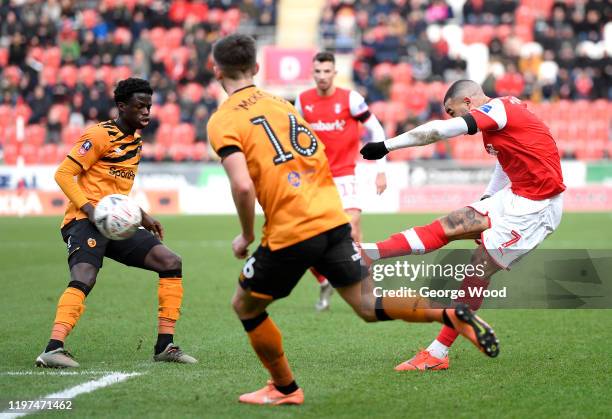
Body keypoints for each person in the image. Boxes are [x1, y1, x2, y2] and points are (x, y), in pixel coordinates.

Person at [207, 35, 498, 406]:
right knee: (367, 304)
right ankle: (449, 312)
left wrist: (245, 234)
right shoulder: (283, 104)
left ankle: (284, 389)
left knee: (245, 306)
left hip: (291, 227)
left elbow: (242, 186)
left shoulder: (224, 119)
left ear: (215, 69)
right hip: (331, 213)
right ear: (257, 68)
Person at [360, 79, 564, 371]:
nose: (453, 118)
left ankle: (438, 353)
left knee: (478, 266)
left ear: (467, 103)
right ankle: (368, 254)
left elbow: (439, 131)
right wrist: (487, 201)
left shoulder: (498, 110)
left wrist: (387, 145)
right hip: (514, 194)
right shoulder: (500, 118)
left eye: (453, 111)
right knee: (450, 224)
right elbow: (503, 163)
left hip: (537, 207)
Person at [35, 78, 196, 368]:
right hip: (84, 220)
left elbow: (115, 193)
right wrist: (89, 209)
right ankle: (53, 348)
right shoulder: (99, 135)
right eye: (139, 106)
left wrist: (143, 216)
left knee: (170, 261)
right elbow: (63, 174)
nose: (146, 111)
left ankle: (165, 346)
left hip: (115, 223)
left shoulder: (135, 142)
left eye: (149, 106)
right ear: (122, 106)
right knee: (85, 276)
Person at [295, 51, 388, 311]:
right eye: (318, 71)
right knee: (305, 237)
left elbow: (376, 129)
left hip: (346, 174)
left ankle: (366, 285)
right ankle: (324, 279)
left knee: (352, 226)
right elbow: (294, 136)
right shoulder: (302, 102)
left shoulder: (351, 99)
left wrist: (381, 168)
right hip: (315, 178)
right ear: (312, 73)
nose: (322, 76)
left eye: (327, 71)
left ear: (335, 73)